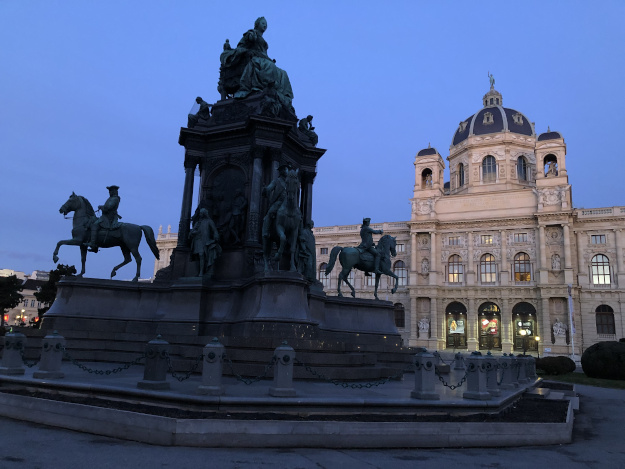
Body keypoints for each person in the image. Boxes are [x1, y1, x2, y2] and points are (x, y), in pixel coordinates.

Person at [221, 17, 294, 113]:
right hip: (255, 58)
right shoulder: (251, 33)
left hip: (264, 58)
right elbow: (241, 47)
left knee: (283, 73)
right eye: (263, 23)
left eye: (266, 24)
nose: (265, 25)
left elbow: (264, 53)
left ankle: (277, 92)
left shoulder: (261, 38)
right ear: (257, 24)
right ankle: (265, 86)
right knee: (268, 66)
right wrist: (250, 38)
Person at [85, 185, 121, 253]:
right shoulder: (111, 198)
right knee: (92, 220)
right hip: (105, 216)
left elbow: (108, 207)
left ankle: (92, 243)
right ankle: (95, 244)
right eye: (109, 191)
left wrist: (101, 207)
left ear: (114, 191)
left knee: (95, 225)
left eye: (110, 191)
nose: (109, 192)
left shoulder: (115, 199)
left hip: (108, 218)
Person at [189, 208, 221, 277]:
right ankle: (199, 271)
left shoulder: (209, 221)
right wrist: (193, 233)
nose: (200, 215)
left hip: (205, 240)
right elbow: (192, 232)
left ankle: (201, 272)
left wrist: (216, 237)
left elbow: (214, 230)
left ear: (204, 214)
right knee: (198, 256)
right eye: (200, 213)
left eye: (201, 213)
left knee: (201, 255)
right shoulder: (197, 223)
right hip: (197, 240)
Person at [261, 165, 289, 239]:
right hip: (279, 203)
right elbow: (270, 188)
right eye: (286, 170)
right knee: (270, 213)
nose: (287, 172)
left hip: (288, 204)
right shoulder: (276, 181)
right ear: (282, 171)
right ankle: (266, 231)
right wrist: (266, 189)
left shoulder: (288, 183)